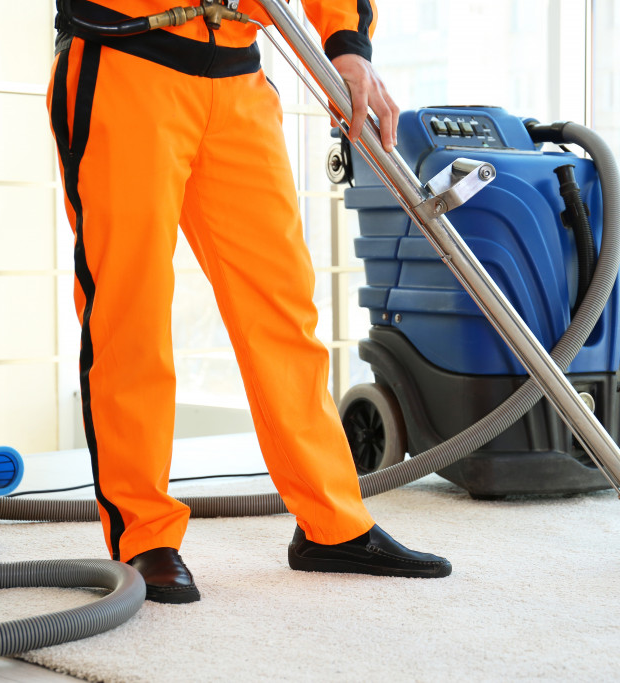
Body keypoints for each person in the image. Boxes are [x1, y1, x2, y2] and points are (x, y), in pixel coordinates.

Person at [47, 0, 451, 604]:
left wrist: (346, 44)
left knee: (282, 306)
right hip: (126, 59)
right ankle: (144, 535)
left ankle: (332, 524)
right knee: (129, 308)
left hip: (238, 78)